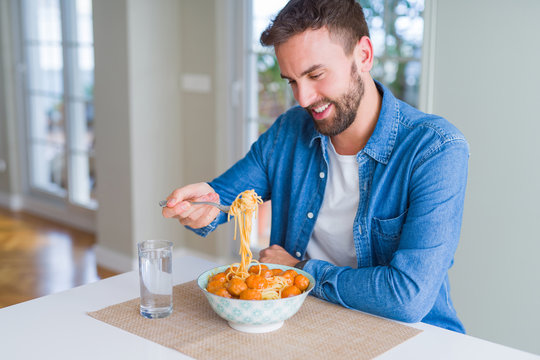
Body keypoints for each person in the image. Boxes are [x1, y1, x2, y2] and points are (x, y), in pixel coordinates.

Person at [162, 0, 469, 333]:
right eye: (292, 81)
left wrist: (300, 270)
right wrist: (204, 204)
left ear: (363, 55)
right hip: (310, 322)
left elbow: (406, 297)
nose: (303, 98)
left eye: (316, 74)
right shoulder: (289, 130)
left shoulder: (436, 150)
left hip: (414, 337)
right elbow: (224, 197)